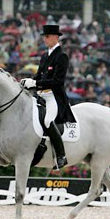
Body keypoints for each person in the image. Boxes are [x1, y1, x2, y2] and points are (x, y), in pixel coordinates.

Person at [21, 24, 76, 169]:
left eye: (48, 36)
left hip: (53, 97)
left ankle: (61, 156)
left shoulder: (62, 56)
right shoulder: (45, 55)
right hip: (39, 96)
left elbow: (57, 82)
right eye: (44, 37)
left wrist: (36, 83)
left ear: (56, 37)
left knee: (47, 120)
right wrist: (29, 81)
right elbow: (39, 75)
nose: (45, 39)